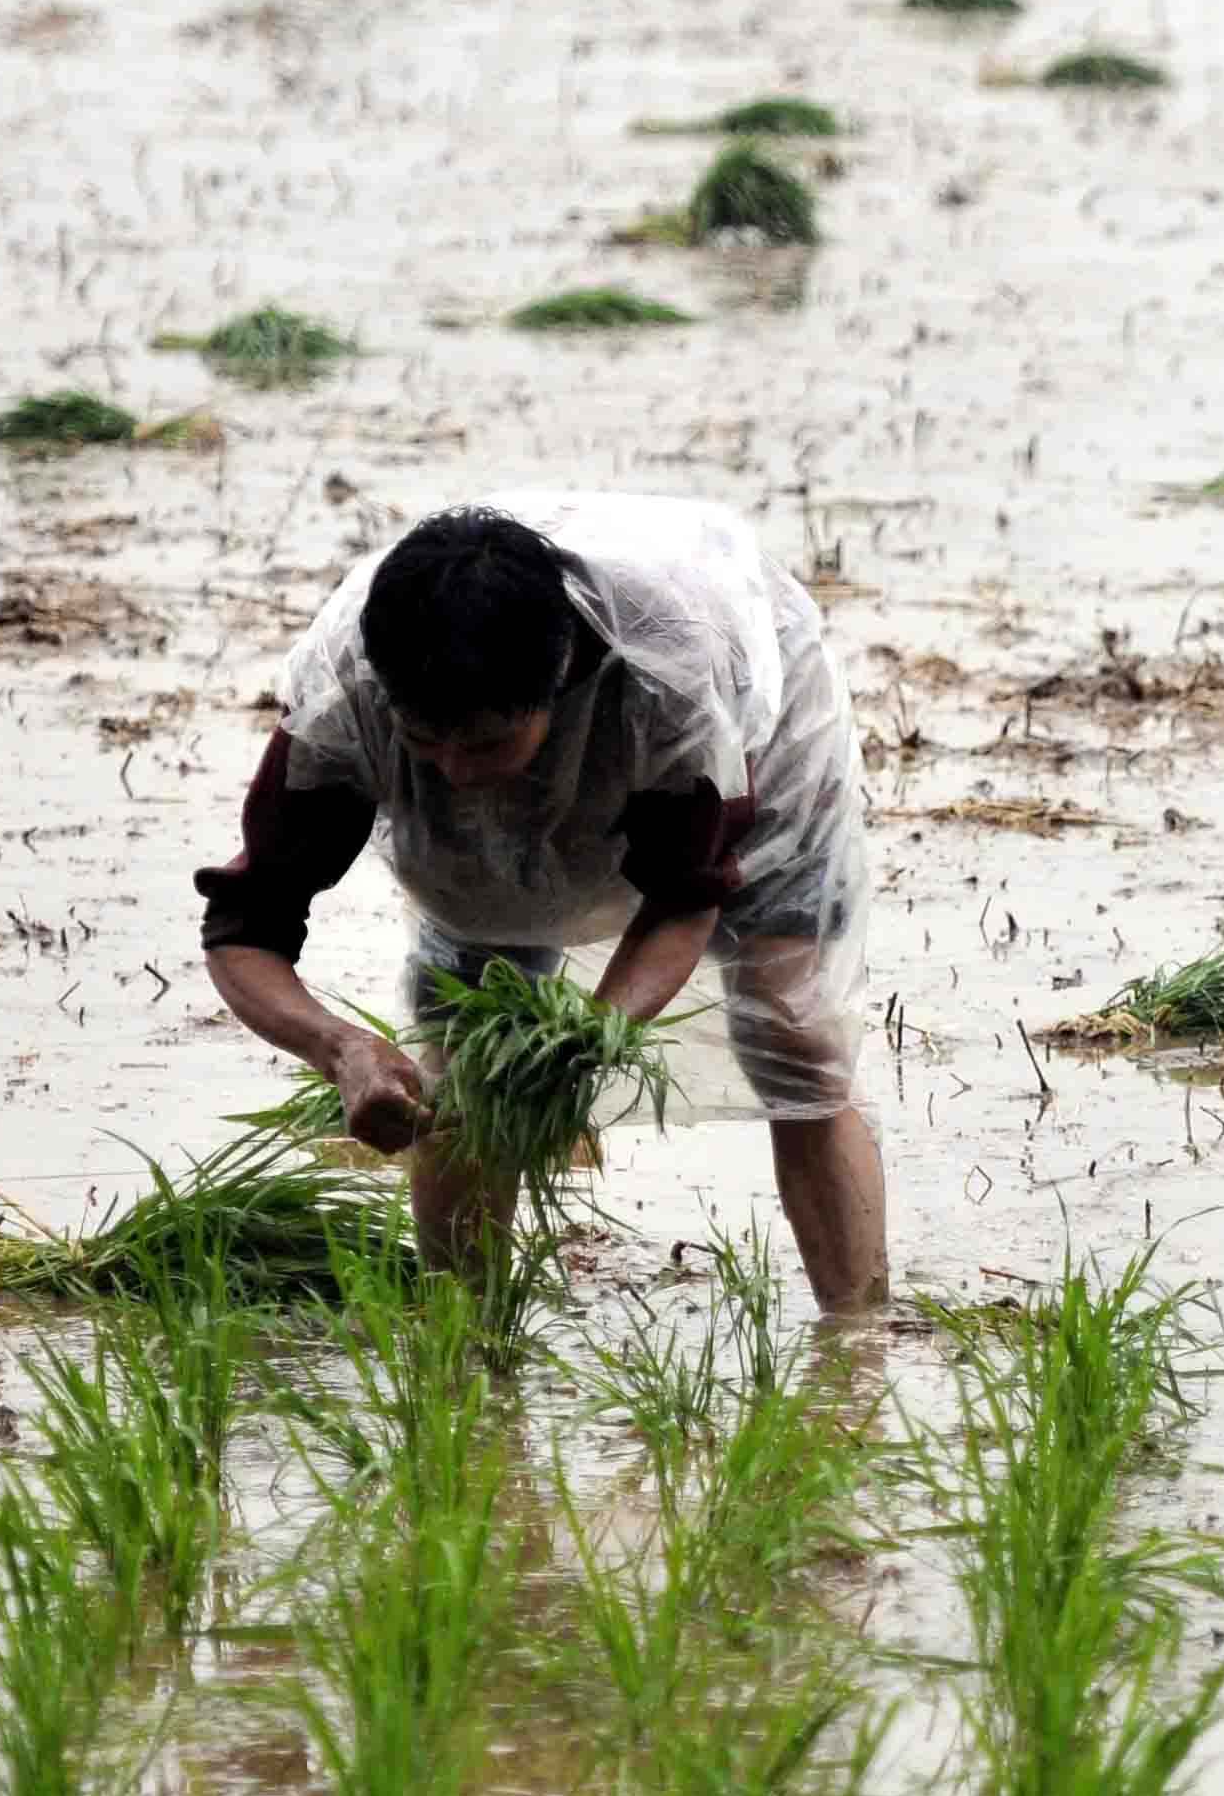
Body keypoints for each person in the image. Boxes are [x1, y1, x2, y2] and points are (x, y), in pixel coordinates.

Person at [196, 493, 889, 1304]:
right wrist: (341, 1049)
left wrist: (590, 1038)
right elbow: (245, 925)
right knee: (470, 1050)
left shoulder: (671, 684)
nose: (453, 773)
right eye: (424, 743)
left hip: (759, 723)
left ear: (558, 687)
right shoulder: (346, 700)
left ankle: (857, 1345)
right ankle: (468, 1345)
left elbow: (684, 895)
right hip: (517, 712)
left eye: (487, 743)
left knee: (793, 1030)